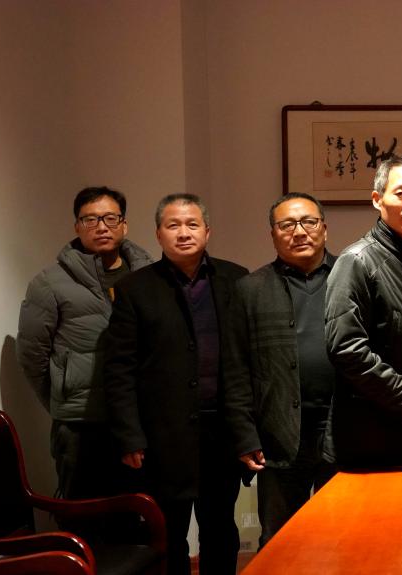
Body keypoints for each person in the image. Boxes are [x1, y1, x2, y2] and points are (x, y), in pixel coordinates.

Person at [104, 194, 248, 575]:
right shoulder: (135, 288)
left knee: (221, 528)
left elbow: (249, 359)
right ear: (158, 234)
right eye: (173, 225)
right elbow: (119, 369)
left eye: (192, 224)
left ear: (207, 231)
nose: (183, 233)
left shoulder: (236, 279)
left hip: (221, 433)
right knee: (169, 534)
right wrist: (129, 436)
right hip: (162, 436)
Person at [17, 186, 152, 503]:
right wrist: (63, 398)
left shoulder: (149, 276)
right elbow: (32, 356)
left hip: (141, 420)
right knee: (83, 513)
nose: (101, 226)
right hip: (81, 427)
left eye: (110, 218)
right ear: (77, 226)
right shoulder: (49, 283)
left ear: (124, 224)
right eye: (90, 219)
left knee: (141, 513)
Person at [222, 192, 337, 548]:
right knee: (280, 542)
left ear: (324, 228)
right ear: (273, 234)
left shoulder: (351, 277)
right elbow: (235, 369)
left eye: (308, 222)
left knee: (344, 536)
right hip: (279, 434)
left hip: (341, 429)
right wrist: (245, 435)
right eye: (287, 225)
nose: (299, 232)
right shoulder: (250, 289)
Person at [324, 155, 402, 468]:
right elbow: (347, 351)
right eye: (400, 193)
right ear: (377, 200)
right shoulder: (357, 261)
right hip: (369, 438)